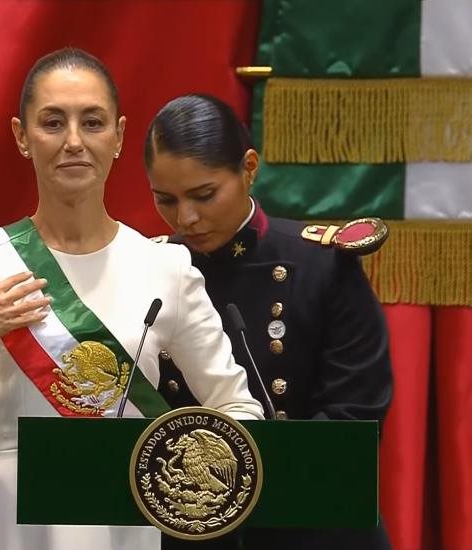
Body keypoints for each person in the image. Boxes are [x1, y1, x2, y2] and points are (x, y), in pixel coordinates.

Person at [0, 51, 263, 550]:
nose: (73, 141)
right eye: (53, 122)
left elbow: (239, 410)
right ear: (21, 136)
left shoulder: (166, 270)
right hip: (5, 526)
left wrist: (182, 478)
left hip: (123, 524)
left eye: (91, 122)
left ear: (117, 137)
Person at [144, 93, 393, 550]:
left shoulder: (320, 263)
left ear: (250, 168)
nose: (187, 218)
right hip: (191, 526)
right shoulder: (149, 269)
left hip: (314, 523)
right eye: (166, 200)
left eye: (204, 195)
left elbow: (356, 414)